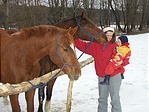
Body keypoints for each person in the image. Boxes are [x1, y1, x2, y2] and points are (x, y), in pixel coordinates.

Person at [74, 27, 124, 112]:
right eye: (107, 35)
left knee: (115, 99)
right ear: (102, 35)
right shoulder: (95, 45)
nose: (109, 38)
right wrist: (73, 37)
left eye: (111, 36)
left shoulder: (116, 46)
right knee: (102, 99)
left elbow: (126, 55)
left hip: (114, 75)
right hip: (102, 76)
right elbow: (82, 45)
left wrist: (123, 61)